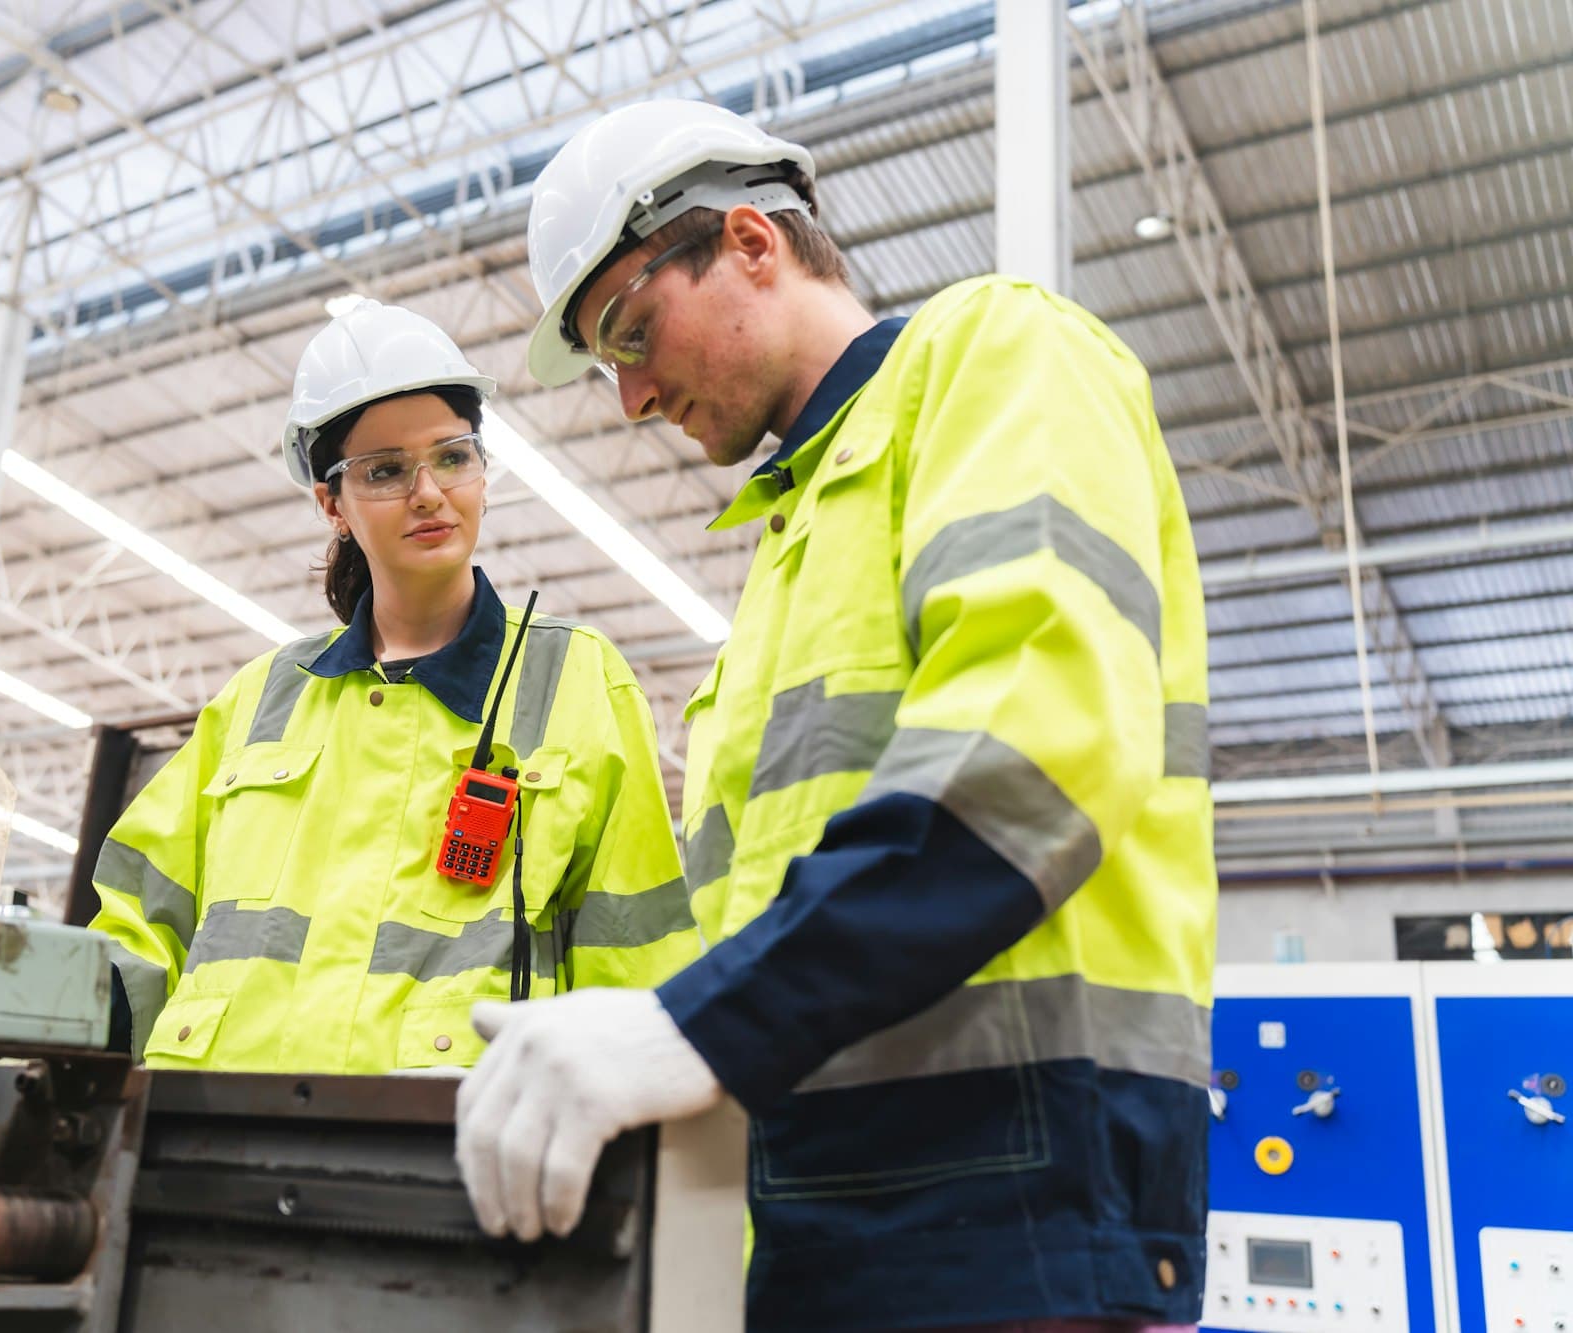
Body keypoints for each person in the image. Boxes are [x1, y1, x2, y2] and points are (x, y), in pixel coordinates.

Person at [455, 100, 1216, 1333]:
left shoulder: (996, 355)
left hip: (1009, 1211)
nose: (632, 398)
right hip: (818, 1225)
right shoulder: (790, 556)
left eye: (632, 333)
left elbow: (1024, 757)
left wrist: (695, 1026)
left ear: (752, 242)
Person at [88, 299, 698, 1073]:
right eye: (384, 471)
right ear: (331, 504)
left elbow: (633, 951)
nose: (428, 492)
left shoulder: (575, 680)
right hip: (211, 1137)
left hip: (443, 1147)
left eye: (452, 456)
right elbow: (139, 919)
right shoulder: (258, 699)